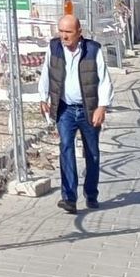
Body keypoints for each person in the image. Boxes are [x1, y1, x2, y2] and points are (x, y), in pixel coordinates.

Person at [37, 14, 114, 213]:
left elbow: (104, 79)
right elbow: (46, 72)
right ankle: (69, 197)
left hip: (89, 109)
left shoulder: (92, 50)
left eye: (68, 32)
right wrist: (43, 97)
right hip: (65, 109)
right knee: (66, 148)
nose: (64, 36)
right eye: (61, 31)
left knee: (92, 153)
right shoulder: (53, 48)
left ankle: (91, 193)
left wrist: (102, 107)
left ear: (79, 33)